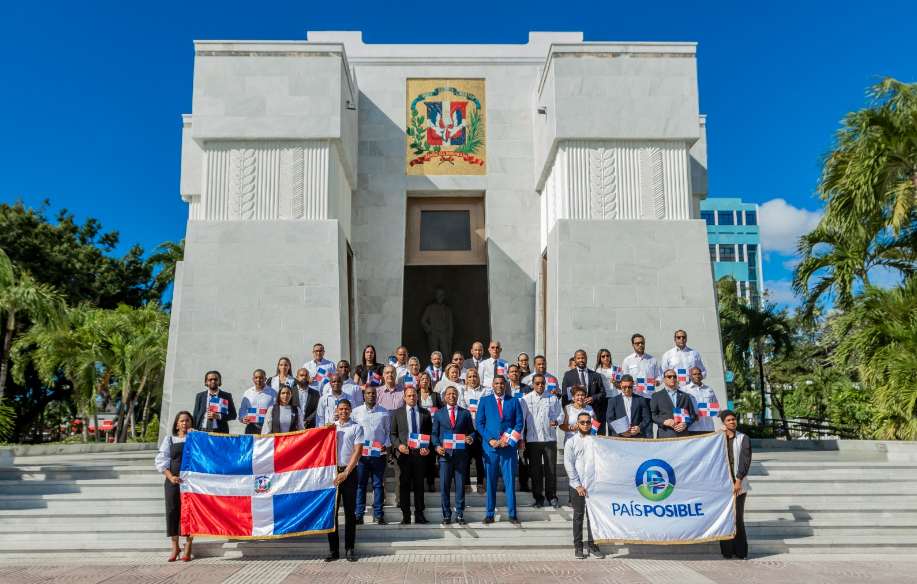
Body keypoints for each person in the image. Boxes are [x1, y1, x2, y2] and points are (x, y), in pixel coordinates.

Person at [475, 376, 524, 525]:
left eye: (502, 383)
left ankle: (512, 514)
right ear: (492, 385)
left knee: (510, 481)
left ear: (506, 385)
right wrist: (490, 439)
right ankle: (489, 514)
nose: (499, 386)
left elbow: (519, 423)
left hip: (508, 448)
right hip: (491, 448)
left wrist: (508, 440)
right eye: (496, 383)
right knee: (491, 482)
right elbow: (479, 423)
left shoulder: (513, 401)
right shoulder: (484, 401)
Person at [564, 411, 606, 560]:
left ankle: (593, 545)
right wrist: (578, 485)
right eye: (582, 422)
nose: (586, 424)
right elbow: (569, 465)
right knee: (578, 516)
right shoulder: (571, 442)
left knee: (593, 516)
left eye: (588, 422)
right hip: (577, 486)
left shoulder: (597, 441)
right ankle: (578, 546)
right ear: (578, 424)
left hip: (594, 485)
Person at [431, 385, 475, 525]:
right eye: (449, 394)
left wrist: (470, 438)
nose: (451, 396)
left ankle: (459, 514)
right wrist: (437, 447)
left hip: (461, 455)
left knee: (460, 486)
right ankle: (446, 514)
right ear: (445, 397)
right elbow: (434, 434)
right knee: (445, 486)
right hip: (445, 456)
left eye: (454, 393)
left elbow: (472, 431)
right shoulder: (439, 413)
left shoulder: (465, 413)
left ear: (457, 395)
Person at [326, 399, 363, 563]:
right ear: (337, 410)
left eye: (346, 409)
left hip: (349, 473)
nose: (343, 412)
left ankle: (349, 548)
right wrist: (326, 431)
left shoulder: (356, 427)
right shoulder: (331, 428)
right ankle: (333, 550)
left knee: (349, 512)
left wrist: (346, 472)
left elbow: (358, 452)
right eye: (341, 409)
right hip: (332, 473)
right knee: (332, 513)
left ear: (351, 410)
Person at [519, 373, 563, 509]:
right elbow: (521, 421)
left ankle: (552, 497)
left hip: (550, 439)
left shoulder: (552, 398)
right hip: (533, 440)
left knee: (551, 470)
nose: (540, 385)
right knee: (535, 471)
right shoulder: (526, 399)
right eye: (537, 383)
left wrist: (557, 421)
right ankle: (538, 498)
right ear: (532, 384)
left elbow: (561, 414)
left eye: (542, 383)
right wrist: (521, 439)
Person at [390, 387, 433, 525]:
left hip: (420, 454)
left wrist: (427, 447)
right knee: (404, 485)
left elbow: (430, 434)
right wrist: (399, 446)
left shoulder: (425, 413)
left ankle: (419, 514)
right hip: (404, 454)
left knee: (419, 485)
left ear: (417, 396)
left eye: (414, 395)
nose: (412, 398)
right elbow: (393, 434)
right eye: (409, 396)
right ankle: (406, 516)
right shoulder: (397, 413)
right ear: (404, 398)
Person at [155, 411, 194, 562]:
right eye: (182, 421)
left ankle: (188, 546)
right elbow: (161, 460)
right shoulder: (169, 440)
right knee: (172, 511)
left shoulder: (196, 438)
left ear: (191, 423)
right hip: (173, 481)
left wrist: (196, 434)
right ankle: (175, 547)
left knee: (189, 513)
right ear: (177, 424)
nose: (185, 423)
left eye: (187, 420)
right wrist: (171, 477)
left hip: (191, 483)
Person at [351, 385, 391, 525]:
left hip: (379, 454)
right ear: (364, 395)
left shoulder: (385, 413)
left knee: (378, 485)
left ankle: (378, 514)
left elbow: (388, 432)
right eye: (368, 393)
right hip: (361, 455)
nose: (371, 395)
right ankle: (359, 514)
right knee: (361, 485)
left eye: (373, 393)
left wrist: (386, 444)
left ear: (376, 395)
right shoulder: (356, 412)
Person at [720, 409, 751, 560]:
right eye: (729, 420)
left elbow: (745, 461)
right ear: (723, 423)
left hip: (738, 483)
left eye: (733, 419)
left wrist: (738, 480)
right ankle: (727, 551)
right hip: (723, 484)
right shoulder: (719, 438)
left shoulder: (743, 438)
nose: (732, 422)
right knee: (724, 518)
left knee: (737, 518)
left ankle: (741, 552)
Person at [376, 365, 406, 507]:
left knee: (399, 469)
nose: (390, 375)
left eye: (392, 372)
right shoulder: (377, 392)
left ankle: (399, 498)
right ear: (383, 375)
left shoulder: (403, 391)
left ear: (395, 375)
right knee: (381, 468)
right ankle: (379, 498)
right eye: (387, 373)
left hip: (399, 435)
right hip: (382, 434)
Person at [562, 349, 607, 434]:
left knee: (591, 436)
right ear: (575, 359)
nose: (581, 360)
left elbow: (602, 393)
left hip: (591, 411)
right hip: (574, 412)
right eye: (578, 358)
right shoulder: (568, 375)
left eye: (582, 358)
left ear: (586, 358)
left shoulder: (595, 375)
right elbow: (565, 395)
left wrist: (593, 398)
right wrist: (565, 413)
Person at [462, 367, 490, 494]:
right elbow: (462, 409)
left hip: (481, 429)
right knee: (466, 457)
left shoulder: (485, 391)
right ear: (466, 379)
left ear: (478, 378)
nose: (472, 379)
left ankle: (480, 484)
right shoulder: (463, 391)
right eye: (470, 376)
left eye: (474, 376)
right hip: (468, 429)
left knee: (480, 458)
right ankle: (467, 484)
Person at [417, 371, 444, 492]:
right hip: (420, 429)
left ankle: (431, 482)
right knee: (419, 456)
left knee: (431, 456)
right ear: (419, 381)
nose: (424, 381)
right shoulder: (415, 394)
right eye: (422, 379)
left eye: (427, 379)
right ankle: (419, 482)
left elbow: (441, 412)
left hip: (433, 429)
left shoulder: (435, 395)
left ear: (430, 381)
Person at [650, 369, 697, 438]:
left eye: (674, 376)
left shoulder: (685, 396)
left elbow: (692, 415)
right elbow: (652, 416)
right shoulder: (656, 396)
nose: (672, 378)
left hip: (682, 435)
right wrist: (664, 422)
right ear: (664, 379)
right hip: (665, 435)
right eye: (669, 376)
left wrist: (685, 424)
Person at [238, 370, 278, 434]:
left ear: (265, 379)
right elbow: (242, 408)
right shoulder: (248, 393)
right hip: (251, 426)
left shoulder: (273, 392)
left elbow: (276, 409)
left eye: (261, 377)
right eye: (256, 378)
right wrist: (242, 418)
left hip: (267, 427)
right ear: (253, 379)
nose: (258, 380)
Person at [421, 288, 453, 358]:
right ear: (435, 296)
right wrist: (430, 330)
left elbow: (450, 325)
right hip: (433, 335)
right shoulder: (429, 308)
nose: (439, 297)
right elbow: (423, 321)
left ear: (444, 296)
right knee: (434, 355)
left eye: (441, 295)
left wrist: (450, 337)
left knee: (446, 354)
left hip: (444, 335)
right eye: (438, 295)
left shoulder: (448, 310)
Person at [684, 367, 717, 436]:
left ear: (701, 376)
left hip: (708, 428)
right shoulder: (684, 390)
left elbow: (715, 406)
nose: (697, 376)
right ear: (690, 376)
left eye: (699, 374)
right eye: (695, 374)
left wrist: (718, 412)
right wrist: (691, 415)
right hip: (692, 428)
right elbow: (682, 408)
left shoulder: (709, 389)